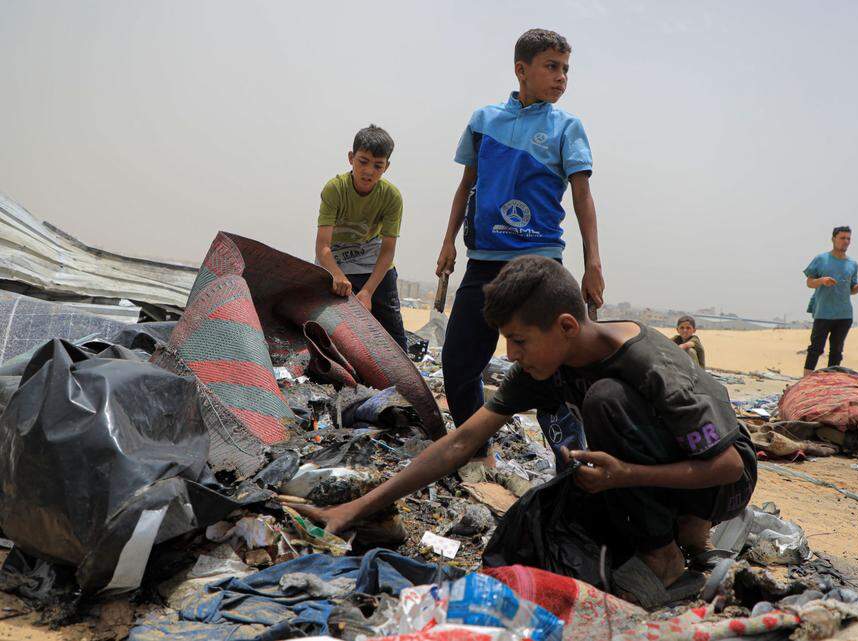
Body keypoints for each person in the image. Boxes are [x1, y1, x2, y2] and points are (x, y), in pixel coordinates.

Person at [296, 256, 757, 607]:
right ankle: (675, 530)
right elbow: (462, 441)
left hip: (721, 482)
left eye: (519, 340)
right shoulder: (547, 364)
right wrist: (356, 508)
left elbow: (729, 465)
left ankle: (668, 560)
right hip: (645, 472)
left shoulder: (648, 364)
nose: (511, 355)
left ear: (566, 326)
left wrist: (626, 476)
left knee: (605, 400)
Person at [434, 28, 604, 465]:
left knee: (553, 369)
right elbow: (466, 186)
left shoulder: (567, 127)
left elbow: (582, 197)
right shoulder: (484, 121)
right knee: (459, 361)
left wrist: (593, 264)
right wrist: (448, 241)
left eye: (566, 69)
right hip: (484, 261)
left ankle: (573, 464)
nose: (562, 77)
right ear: (521, 70)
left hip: (539, 262)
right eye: (552, 66)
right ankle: (478, 454)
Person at [315, 124, 408, 352]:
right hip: (335, 261)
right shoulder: (335, 189)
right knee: (325, 331)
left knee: (394, 339)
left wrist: (367, 292)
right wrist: (337, 275)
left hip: (371, 261)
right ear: (351, 158)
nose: (369, 171)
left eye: (378, 166)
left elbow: (387, 251)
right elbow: (322, 247)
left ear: (386, 167)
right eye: (363, 162)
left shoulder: (391, 197)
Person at [801, 226, 858, 377]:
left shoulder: (853, 264)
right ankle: (805, 381)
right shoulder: (821, 259)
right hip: (823, 312)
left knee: (837, 351)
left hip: (844, 314)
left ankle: (831, 382)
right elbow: (809, 282)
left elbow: (851, 290)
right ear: (833, 239)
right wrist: (822, 280)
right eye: (842, 238)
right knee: (815, 349)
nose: (846, 241)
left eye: (848, 238)